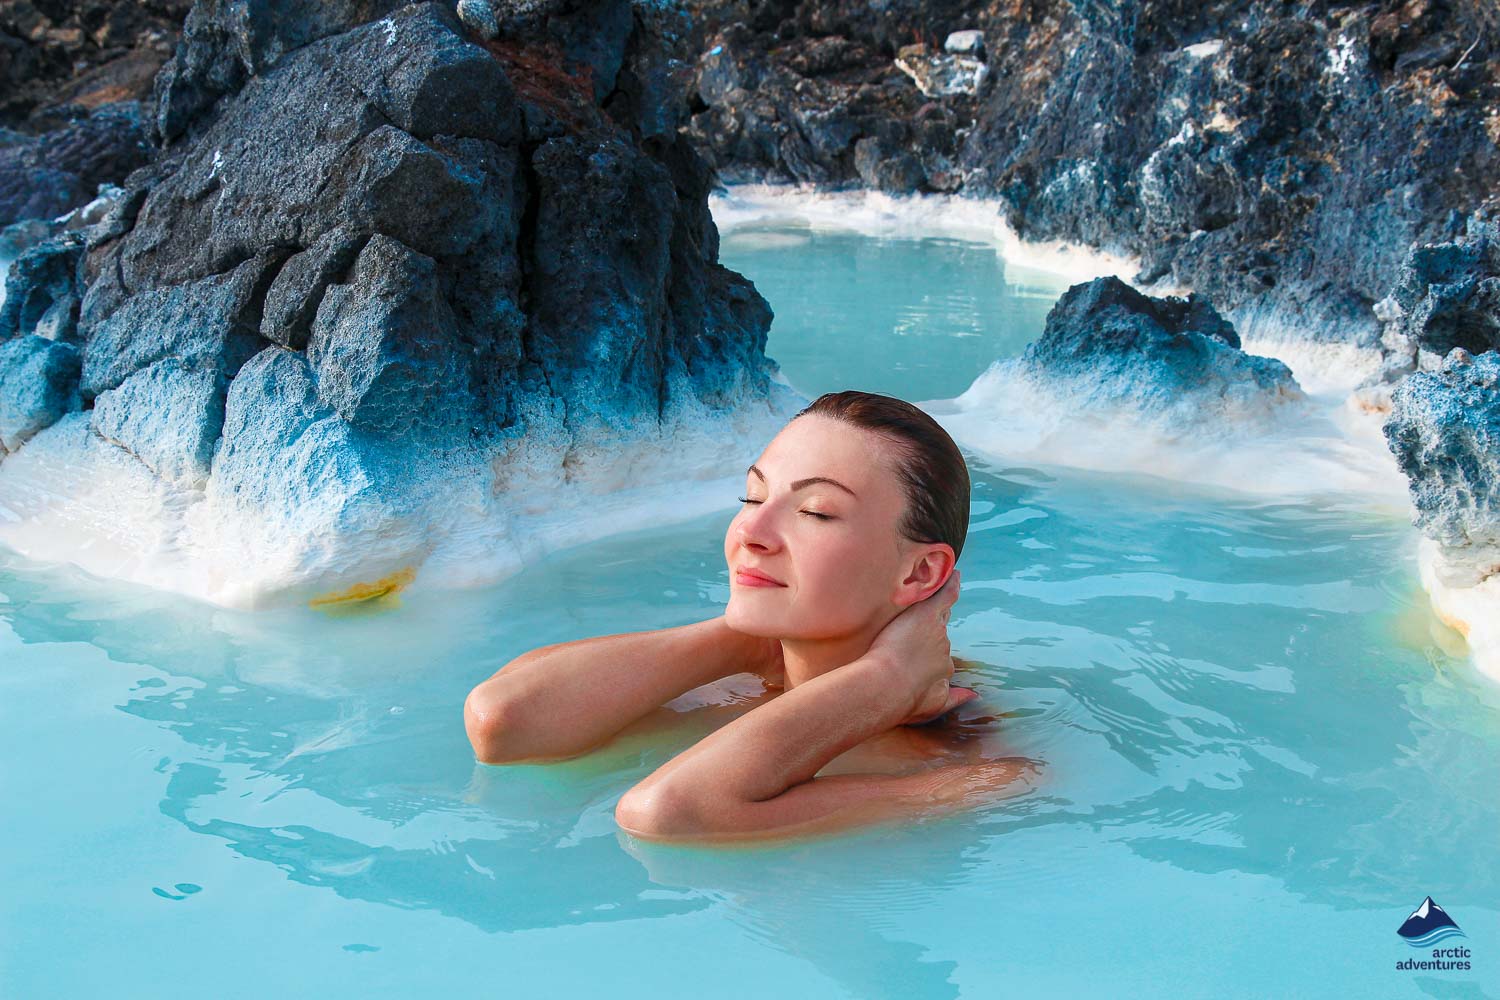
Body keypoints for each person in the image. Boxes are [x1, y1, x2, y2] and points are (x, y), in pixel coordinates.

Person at [464, 390, 1038, 843]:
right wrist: (741, 638)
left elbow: (667, 813)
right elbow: (504, 722)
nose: (752, 535)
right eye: (753, 498)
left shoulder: (975, 765)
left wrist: (884, 682)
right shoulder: (735, 678)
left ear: (918, 575)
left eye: (815, 511)